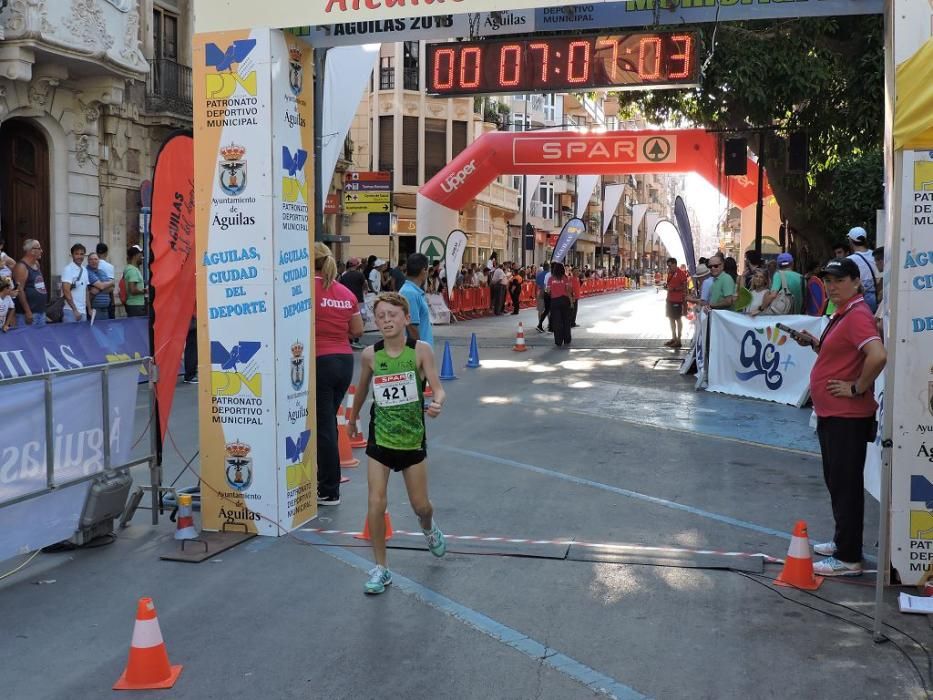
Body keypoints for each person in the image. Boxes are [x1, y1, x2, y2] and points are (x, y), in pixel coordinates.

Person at [347, 292, 447, 594]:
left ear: (406, 318)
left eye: (392, 315)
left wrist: (437, 403)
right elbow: (362, 390)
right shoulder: (370, 355)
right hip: (381, 439)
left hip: (412, 440)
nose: (387, 320)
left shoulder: (421, 351)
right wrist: (352, 420)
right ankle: (381, 568)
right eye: (381, 316)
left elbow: (438, 389)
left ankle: (429, 528)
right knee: (376, 502)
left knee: (421, 506)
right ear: (375, 322)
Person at [794, 258, 886, 576]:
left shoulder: (857, 314)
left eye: (838, 280)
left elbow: (878, 355)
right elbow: (845, 355)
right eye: (828, 281)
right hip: (835, 413)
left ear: (856, 282)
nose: (832, 286)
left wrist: (857, 388)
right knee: (838, 482)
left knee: (845, 485)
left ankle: (848, 557)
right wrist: (816, 345)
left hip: (847, 415)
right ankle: (843, 542)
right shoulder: (844, 313)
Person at [314, 243, 364, 506]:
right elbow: (357, 330)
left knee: (323, 425)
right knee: (328, 422)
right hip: (344, 361)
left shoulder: (304, 288)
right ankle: (325, 482)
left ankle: (329, 489)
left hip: (319, 360)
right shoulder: (345, 293)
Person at [13, 238, 48, 328]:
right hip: (28, 314)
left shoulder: (36, 264)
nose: (42, 251)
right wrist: (28, 311)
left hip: (40, 311)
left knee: (40, 341)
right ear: (32, 251)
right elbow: (19, 290)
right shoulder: (21, 267)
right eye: (39, 248)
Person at [846, 227, 880, 313]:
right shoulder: (875, 255)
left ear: (851, 241)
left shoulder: (849, 260)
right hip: (877, 298)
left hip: (860, 299)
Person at [340, 257, 367, 350]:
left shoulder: (344, 275)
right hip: (359, 301)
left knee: (349, 320)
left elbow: (341, 287)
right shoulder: (360, 275)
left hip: (347, 301)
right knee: (362, 319)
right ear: (357, 265)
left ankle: (350, 339)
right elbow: (365, 285)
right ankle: (355, 339)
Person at [547, 262, 574, 347]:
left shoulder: (551, 279)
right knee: (566, 320)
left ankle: (558, 341)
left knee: (556, 322)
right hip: (564, 300)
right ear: (562, 269)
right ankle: (567, 339)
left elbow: (548, 291)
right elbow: (568, 290)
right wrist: (571, 302)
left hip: (555, 301)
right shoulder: (565, 278)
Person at [664, 257, 688, 348]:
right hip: (669, 299)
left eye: (670, 265)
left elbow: (684, 287)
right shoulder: (670, 273)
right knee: (671, 318)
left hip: (677, 300)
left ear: (674, 264)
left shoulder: (681, 274)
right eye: (668, 266)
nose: (669, 267)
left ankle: (679, 340)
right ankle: (673, 338)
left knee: (678, 319)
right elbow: (670, 284)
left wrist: (674, 289)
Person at [61, 243, 88, 323]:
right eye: (77, 254)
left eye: (82, 254)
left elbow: (86, 290)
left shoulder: (85, 270)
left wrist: (89, 309)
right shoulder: (68, 269)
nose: (79, 256)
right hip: (70, 311)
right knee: (70, 335)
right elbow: (66, 291)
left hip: (83, 312)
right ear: (72, 255)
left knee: (83, 335)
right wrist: (75, 310)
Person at [123, 245, 148, 317]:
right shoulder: (132, 270)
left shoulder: (131, 269)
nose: (142, 258)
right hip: (136, 306)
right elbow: (133, 290)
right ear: (135, 256)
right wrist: (145, 291)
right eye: (141, 256)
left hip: (135, 305)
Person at [96, 243, 116, 319]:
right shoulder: (109, 267)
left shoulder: (91, 265)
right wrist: (113, 302)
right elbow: (111, 287)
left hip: (94, 301)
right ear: (106, 253)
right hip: (106, 301)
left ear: (97, 253)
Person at [535, 262, 551, 333]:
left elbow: (537, 285)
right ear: (548, 267)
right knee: (548, 309)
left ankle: (540, 324)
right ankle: (549, 324)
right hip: (548, 293)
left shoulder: (539, 275)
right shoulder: (550, 275)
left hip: (540, 292)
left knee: (540, 310)